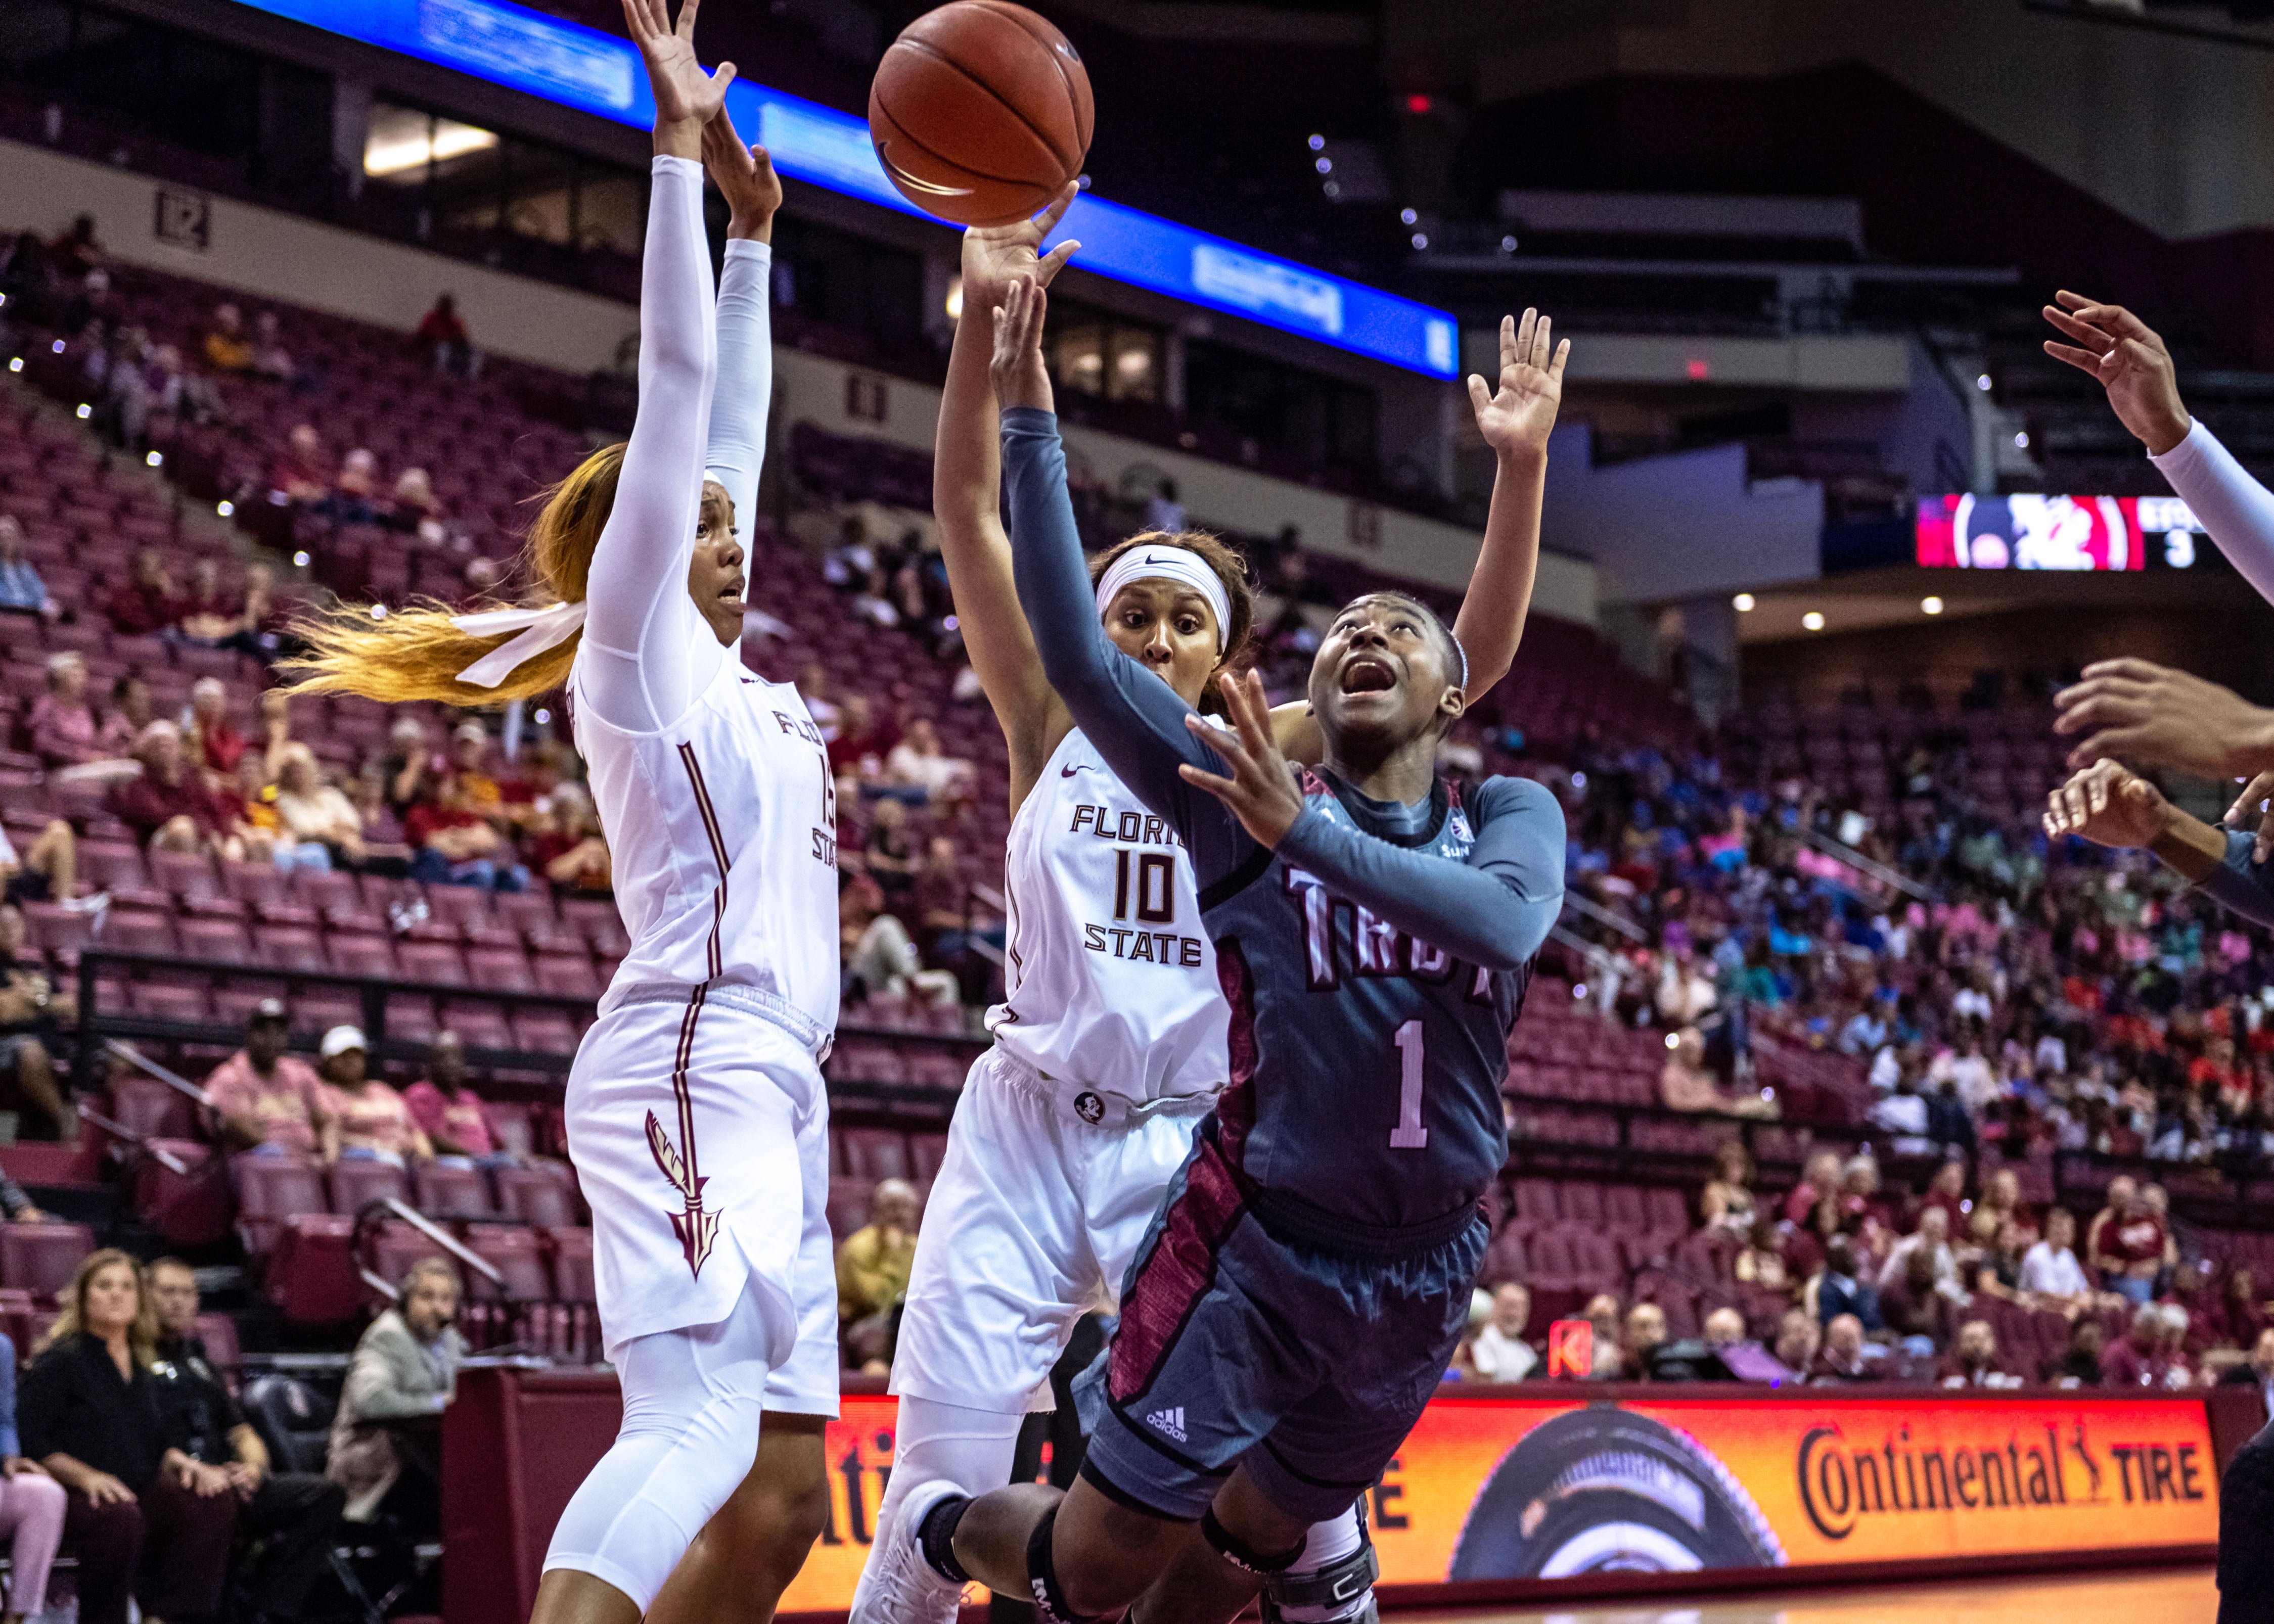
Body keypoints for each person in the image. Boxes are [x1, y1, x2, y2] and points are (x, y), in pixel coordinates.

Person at [851, 195, 1566, 1624]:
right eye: (1136, 617)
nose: (1162, 640)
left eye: (1189, 622)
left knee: (1261, 1518)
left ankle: (1302, 1565)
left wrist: (1517, 476)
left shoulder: (1268, 749)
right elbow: (967, 514)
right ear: (1100, 632)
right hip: (1031, 1113)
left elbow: (1461, 664)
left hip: (1196, 1145)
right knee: (943, 1461)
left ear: (1232, 657)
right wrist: (990, 336)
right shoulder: (1052, 710)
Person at [286, 40, 838, 1623]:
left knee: (788, 1493)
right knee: (693, 1418)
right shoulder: (638, 652)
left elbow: (725, 415)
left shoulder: (721, 664)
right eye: (700, 518)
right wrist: (672, 152)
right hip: (690, 1052)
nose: (730, 531)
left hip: (773, 1085)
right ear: (635, 551)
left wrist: (757, 240)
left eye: (734, 520)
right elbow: (677, 402)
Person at [20, 1250, 238, 1624]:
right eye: (105, 1286)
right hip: (75, 1491)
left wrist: (183, 1462)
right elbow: (33, 1437)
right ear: (85, 1297)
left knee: (210, 1499)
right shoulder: (61, 1359)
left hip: (136, 1482)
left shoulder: (140, 1361)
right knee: (120, 1518)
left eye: (126, 1287)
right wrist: (87, 1476)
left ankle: (166, 1616)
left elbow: (154, 1438)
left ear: (139, 1299)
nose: (117, 1294)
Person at [146, 1258, 345, 1621]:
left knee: (323, 1493)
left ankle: (268, 1611)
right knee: (213, 1500)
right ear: (146, 1297)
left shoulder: (198, 1359)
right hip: (176, 1483)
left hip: (225, 1478)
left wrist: (253, 1468)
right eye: (167, 1292)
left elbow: (241, 1430)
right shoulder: (132, 1359)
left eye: (187, 1292)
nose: (178, 1301)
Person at [327, 1258, 465, 1529]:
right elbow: (373, 1401)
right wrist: (440, 1403)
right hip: (374, 1462)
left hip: (420, 1458)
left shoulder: (449, 1339)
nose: (438, 1307)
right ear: (405, 1301)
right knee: (463, 1492)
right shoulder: (387, 1336)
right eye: (427, 1297)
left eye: (446, 1299)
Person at [203, 999, 329, 1156]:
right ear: (249, 1034)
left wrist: (329, 1156)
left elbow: (328, 1120)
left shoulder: (301, 1073)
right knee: (269, 1155)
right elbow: (247, 1135)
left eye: (278, 1032)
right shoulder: (230, 1077)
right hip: (256, 1164)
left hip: (306, 1163)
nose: (272, 1039)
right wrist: (299, 1158)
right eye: (264, 1032)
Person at [0, 1324, 64, 1624]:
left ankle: (18, 1615)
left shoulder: (2, 1347)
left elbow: (5, 1420)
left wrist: (10, 1455)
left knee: (45, 1494)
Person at [0, 904, 72, 1142]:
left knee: (122, 1054)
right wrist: (42, 1001)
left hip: (54, 1043)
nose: (9, 931)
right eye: (2, 926)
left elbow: (73, 1006)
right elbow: (5, 1011)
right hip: (9, 1045)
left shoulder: (38, 970)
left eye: (14, 925)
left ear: (23, 929)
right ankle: (65, 1129)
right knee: (31, 1052)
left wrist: (37, 1001)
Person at [314, 1027, 429, 1166]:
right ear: (328, 1061)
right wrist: (379, 1146)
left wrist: (425, 1155)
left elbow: (414, 1129)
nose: (352, 1061)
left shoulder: (382, 1089)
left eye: (357, 1055)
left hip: (404, 1157)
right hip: (363, 1160)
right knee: (390, 1161)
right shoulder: (325, 1093)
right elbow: (332, 1137)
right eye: (344, 1056)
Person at [837, 1179, 919, 1372]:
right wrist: (894, 1254)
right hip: (868, 1325)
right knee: (877, 1344)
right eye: (892, 1207)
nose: (899, 1214)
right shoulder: (858, 1247)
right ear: (877, 1211)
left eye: (906, 1207)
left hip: (909, 1324)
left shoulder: (920, 1247)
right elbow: (878, 1300)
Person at [401, 1032, 504, 1161]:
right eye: (444, 1057)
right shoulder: (420, 1094)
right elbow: (432, 1139)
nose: (452, 1064)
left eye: (456, 1057)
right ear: (431, 1064)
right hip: (450, 1163)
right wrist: (475, 1157)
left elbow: (498, 1143)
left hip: (487, 1163)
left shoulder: (471, 1098)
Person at [27, 652, 99, 768]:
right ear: (61, 679)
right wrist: (81, 756)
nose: (83, 681)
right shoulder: (47, 705)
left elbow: (89, 742)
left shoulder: (83, 709)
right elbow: (44, 746)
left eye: (83, 676)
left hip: (81, 769)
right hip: (54, 772)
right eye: (76, 676)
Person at [2019, 1208, 2095, 1315]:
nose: (2070, 1232)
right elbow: (2046, 1295)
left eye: (2071, 1228)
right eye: (2066, 1228)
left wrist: (2088, 1299)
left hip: (2068, 1306)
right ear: (2053, 1228)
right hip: (2040, 1313)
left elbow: (2083, 1289)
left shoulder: (2068, 1255)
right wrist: (2076, 1301)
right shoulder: (2037, 1255)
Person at [105, 547, 184, 637]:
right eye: (149, 570)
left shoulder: (158, 595)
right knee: (170, 634)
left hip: (156, 641)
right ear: (134, 571)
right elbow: (136, 625)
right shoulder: (122, 595)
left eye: (158, 569)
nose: (155, 575)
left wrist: (166, 595)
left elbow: (175, 621)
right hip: (135, 641)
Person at [1467, 1284, 1536, 1383]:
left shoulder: (1527, 1352)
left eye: (1520, 1307)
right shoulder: (1481, 1339)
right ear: (1495, 1305)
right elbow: (1485, 1382)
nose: (1513, 1314)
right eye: (1509, 1306)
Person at [0, 516, 55, 619]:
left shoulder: (26, 569)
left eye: (10, 534)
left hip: (28, 615)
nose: (6, 538)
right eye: (2, 534)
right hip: (6, 616)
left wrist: (47, 605)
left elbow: (39, 595)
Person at [1939, 1320, 2019, 1388]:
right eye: (1971, 1340)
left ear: (1992, 1342)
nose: (1977, 1345)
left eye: (1982, 1340)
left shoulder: (2002, 1364)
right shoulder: (1949, 1367)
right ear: (1961, 1343)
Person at [416, 293, 479, 379]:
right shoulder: (431, 318)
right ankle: (439, 374)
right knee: (443, 349)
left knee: (476, 352)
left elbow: (461, 337)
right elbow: (423, 334)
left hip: (453, 347)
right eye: (444, 305)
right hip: (434, 345)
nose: (445, 308)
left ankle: (471, 377)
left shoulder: (455, 322)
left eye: (448, 306)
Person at [1697, 1140, 1756, 1229]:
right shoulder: (1714, 1189)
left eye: (1740, 1166)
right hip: (1719, 1236)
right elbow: (1717, 1219)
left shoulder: (1746, 1193)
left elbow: (1752, 1221)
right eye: (1732, 1166)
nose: (1736, 1171)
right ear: (1723, 1167)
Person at [2217, 1327, 2274, 1416]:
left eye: (2272, 1350)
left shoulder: (2270, 1381)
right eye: (2267, 1349)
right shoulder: (2238, 1376)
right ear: (2257, 1350)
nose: (2271, 1355)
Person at [1809, 1314, 1877, 1383]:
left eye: (1855, 1338)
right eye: (1845, 1339)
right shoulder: (1819, 1371)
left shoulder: (1874, 1370)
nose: (1851, 1345)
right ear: (1831, 1342)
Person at [1772, 1307, 1821, 1375]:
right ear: (1781, 1336)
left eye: (1809, 1333)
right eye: (1798, 1331)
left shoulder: (1822, 1378)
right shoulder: (1766, 1375)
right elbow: (1774, 1385)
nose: (1804, 1338)